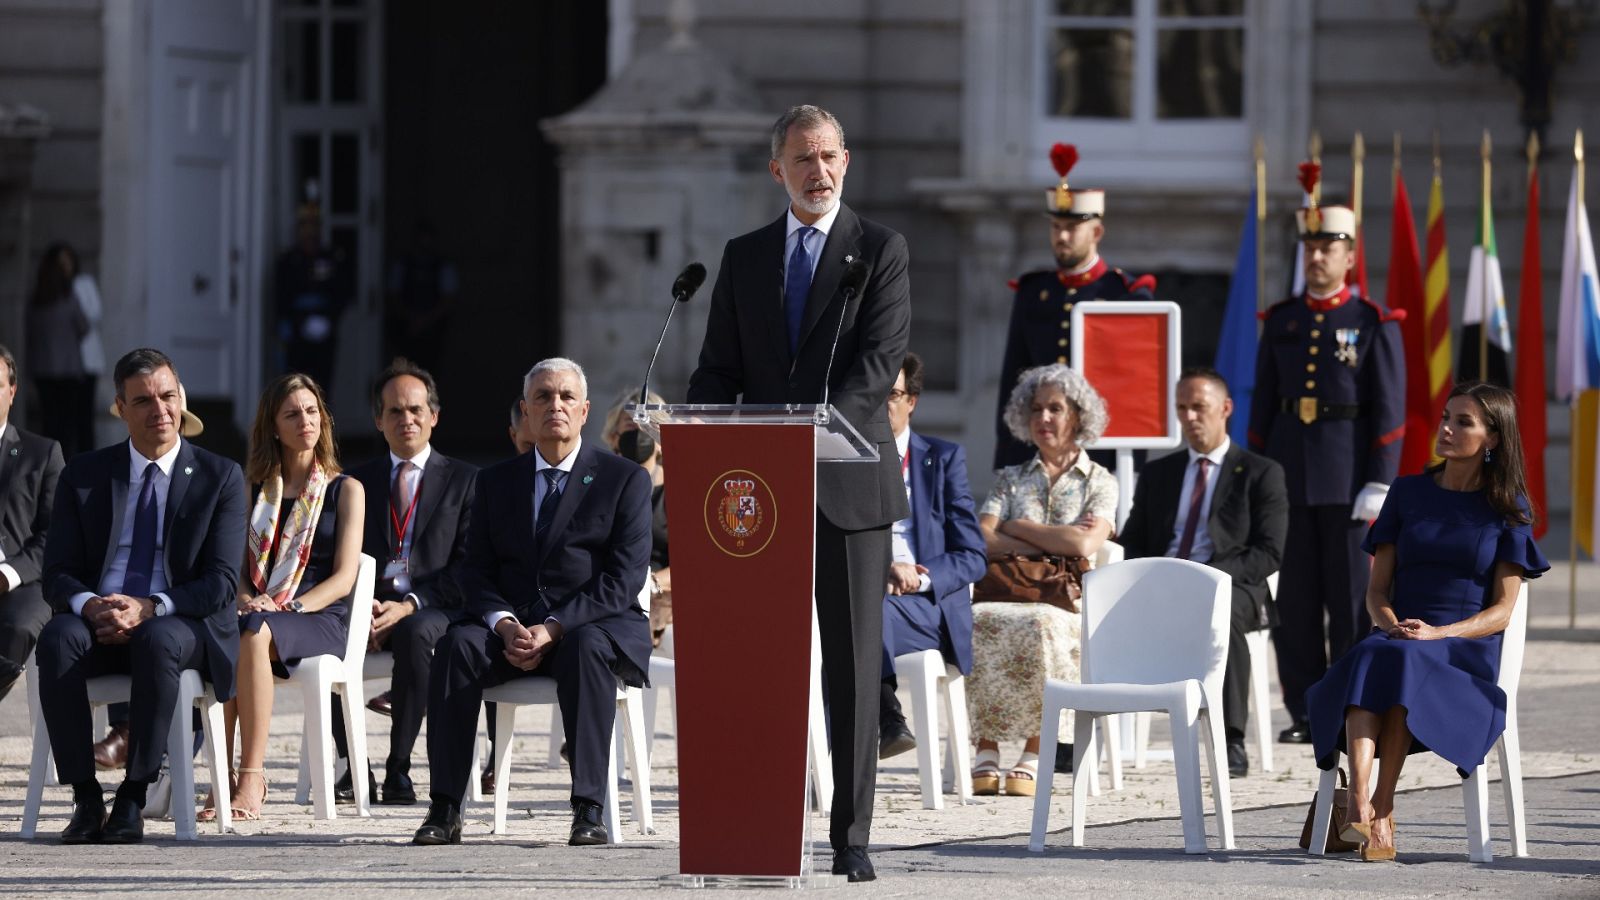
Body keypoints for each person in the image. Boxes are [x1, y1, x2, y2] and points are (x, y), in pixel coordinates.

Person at [686, 104, 911, 882]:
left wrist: (809, 431)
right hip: (757, 497)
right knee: (757, 665)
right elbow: (719, 368)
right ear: (776, 169)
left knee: (851, 670)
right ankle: (755, 828)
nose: (819, 171)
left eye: (830, 156)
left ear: (847, 161)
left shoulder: (879, 250)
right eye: (803, 159)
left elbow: (878, 365)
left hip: (847, 485)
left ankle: (851, 838)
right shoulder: (745, 256)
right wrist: (695, 429)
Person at [413, 358, 652, 847]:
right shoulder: (495, 481)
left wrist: (555, 627)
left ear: (585, 411)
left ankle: (588, 809)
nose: (555, 405)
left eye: (566, 397)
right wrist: (504, 625)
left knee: (587, 648)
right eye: (543, 397)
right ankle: (445, 808)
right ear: (525, 412)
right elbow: (475, 572)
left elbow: (622, 580)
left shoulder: (623, 479)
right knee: (456, 646)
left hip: (586, 627)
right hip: (512, 630)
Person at [1306, 381, 1547, 861]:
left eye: (1463, 422)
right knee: (1381, 654)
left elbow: (1502, 610)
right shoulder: (1408, 492)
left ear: (1493, 437)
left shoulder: (1507, 507)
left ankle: (1380, 807)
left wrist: (1439, 633)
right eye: (1445, 418)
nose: (1447, 429)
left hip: (1465, 649)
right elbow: (1376, 591)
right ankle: (1363, 804)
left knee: (1400, 659)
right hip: (1400, 634)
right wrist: (1391, 623)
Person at [35, 348, 247, 844]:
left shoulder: (220, 477)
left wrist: (151, 606)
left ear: (182, 398)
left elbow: (220, 582)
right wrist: (90, 605)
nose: (160, 410)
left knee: (157, 638)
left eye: (168, 396)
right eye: (144, 401)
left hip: (179, 622)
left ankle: (133, 796)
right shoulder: (85, 475)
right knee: (58, 638)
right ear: (121, 409)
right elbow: (57, 573)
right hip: (99, 618)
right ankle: (86, 797)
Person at [1248, 194, 1405, 746]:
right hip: (1289, 479)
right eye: (1310, 247)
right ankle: (1306, 711)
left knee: (1351, 602)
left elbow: (1389, 411)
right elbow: (1263, 408)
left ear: (1349, 255)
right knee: (1294, 604)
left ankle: (1351, 707)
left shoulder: (1371, 322)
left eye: (1327, 248)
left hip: (1348, 481)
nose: (1316, 257)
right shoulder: (1282, 319)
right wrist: (1258, 478)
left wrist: (1379, 480)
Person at [1117, 367, 1288, 777]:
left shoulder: (1261, 472)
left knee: (1221, 615)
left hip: (1231, 585)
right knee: (1093, 609)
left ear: (1225, 408)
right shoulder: (1159, 473)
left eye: (1199, 407)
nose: (1189, 417)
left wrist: (1205, 578)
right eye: (1182, 408)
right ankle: (1079, 731)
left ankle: (1230, 740)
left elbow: (1268, 553)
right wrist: (1157, 576)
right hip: (1162, 583)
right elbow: (1132, 541)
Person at [328, 359, 477, 806]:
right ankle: (354, 766)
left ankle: (399, 768)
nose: (406, 419)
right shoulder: (355, 482)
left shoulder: (467, 481)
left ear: (434, 416)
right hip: (367, 607)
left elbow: (468, 566)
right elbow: (338, 558)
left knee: (415, 632)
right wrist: (364, 608)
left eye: (416, 409)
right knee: (322, 637)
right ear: (378, 420)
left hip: (433, 609)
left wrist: (410, 603)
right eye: (394, 411)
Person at [221, 373, 365, 822]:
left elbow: (344, 578)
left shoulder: (346, 489)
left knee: (252, 632)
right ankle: (221, 777)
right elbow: (238, 571)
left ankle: (251, 776)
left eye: (311, 410)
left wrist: (288, 605)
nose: (305, 420)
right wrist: (247, 599)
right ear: (273, 427)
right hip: (261, 613)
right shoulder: (253, 489)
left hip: (319, 615)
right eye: (292, 414)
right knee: (230, 629)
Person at [969, 364, 1115, 796]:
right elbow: (980, 537)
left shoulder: (1100, 481)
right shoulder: (1010, 478)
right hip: (1006, 590)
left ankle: (1034, 750)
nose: (1044, 418)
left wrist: (1017, 527)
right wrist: (1054, 541)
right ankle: (986, 747)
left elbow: (1085, 543)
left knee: (1040, 623)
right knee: (977, 618)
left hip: (1066, 601)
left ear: (1078, 415)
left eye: (1055, 408)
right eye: (1036, 409)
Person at [993, 144, 1154, 470]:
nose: (1062, 236)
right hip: (1038, 449)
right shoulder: (1033, 291)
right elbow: (1014, 376)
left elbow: (1137, 389)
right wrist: (1006, 457)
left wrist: (1131, 465)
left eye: (1072, 228)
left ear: (1096, 232)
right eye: (1056, 227)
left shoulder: (1125, 294)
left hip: (1099, 452)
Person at [878, 352, 985, 759]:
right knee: (844, 618)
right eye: (873, 393)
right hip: (871, 592)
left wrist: (919, 576)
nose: (880, 403)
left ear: (912, 401)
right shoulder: (848, 461)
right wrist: (879, 570)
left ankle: (885, 718)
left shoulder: (943, 458)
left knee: (860, 617)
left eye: (891, 394)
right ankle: (880, 719)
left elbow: (972, 555)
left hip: (925, 606)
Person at [0, 345, 66, 703]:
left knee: (18, 626)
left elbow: (56, 534)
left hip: (21, 580)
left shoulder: (42, 453)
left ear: (12, 391)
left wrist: (7, 574)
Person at [602, 387, 671, 646]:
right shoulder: (597, 484)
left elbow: (693, 561)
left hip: (663, 602)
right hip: (609, 597)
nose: (640, 433)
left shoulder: (680, 488)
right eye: (631, 426)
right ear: (614, 436)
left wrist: (648, 586)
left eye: (648, 427)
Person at [26, 241, 106, 458]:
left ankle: (49, 465)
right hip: (68, 371)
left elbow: (31, 333)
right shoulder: (68, 298)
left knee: (49, 422)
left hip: (43, 371)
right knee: (70, 426)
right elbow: (84, 326)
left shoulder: (36, 300)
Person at [274, 198, 352, 389]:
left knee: (322, 385)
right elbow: (282, 297)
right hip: (297, 332)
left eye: (313, 225)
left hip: (325, 330)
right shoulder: (288, 260)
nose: (309, 231)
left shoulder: (332, 258)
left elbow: (342, 293)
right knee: (295, 384)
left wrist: (328, 319)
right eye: (305, 225)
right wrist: (298, 322)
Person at [384, 221, 460, 374]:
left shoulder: (443, 267)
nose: (424, 248)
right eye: (420, 242)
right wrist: (411, 319)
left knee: (431, 371)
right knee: (405, 372)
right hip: (406, 329)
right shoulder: (403, 265)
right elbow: (393, 296)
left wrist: (425, 321)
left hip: (433, 331)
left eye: (427, 242)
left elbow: (448, 300)